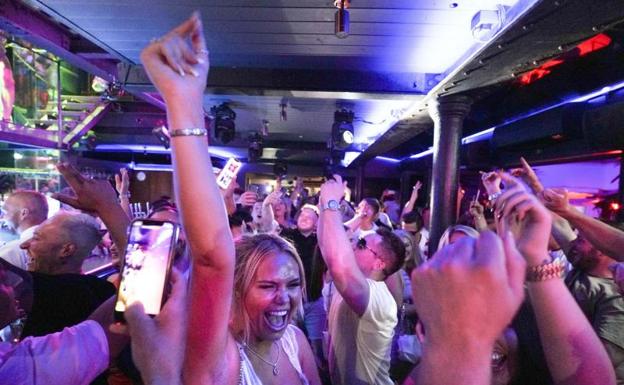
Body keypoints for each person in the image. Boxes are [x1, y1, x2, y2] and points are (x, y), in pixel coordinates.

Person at [139, 13, 321, 385]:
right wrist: (184, 103)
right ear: (236, 291)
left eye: (291, 285)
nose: (283, 299)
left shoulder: (296, 342)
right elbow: (211, 257)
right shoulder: (220, 360)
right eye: (267, 287)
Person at [318, 174, 405, 385]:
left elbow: (338, 264)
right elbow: (325, 245)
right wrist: (324, 203)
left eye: (364, 245)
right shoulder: (359, 283)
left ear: (379, 264)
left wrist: (332, 203)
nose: (356, 244)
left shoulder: (379, 297)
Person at [0, 190, 48, 269]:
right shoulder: (58, 244)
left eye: (5, 212)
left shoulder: (11, 251)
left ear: (24, 213)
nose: (2, 217)